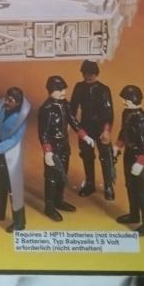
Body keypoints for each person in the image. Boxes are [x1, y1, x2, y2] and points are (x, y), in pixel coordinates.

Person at [38, 75, 95, 221]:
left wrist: (85, 136)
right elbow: (43, 133)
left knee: (62, 176)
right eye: (60, 90)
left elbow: (73, 121)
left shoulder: (65, 104)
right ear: (51, 90)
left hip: (64, 146)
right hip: (53, 149)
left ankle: (59, 200)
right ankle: (49, 207)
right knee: (51, 178)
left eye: (64, 89)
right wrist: (47, 152)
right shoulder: (46, 109)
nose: (63, 92)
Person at [0, 87, 30, 233]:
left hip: (11, 154)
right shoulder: (2, 109)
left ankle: (19, 222)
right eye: (7, 98)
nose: (7, 102)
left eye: (11, 100)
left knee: (13, 188)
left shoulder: (20, 118)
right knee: (0, 184)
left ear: (18, 102)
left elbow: (14, 139)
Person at [71, 60, 116, 200]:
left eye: (92, 73)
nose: (89, 76)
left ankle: (108, 185)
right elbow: (72, 107)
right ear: (82, 74)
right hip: (86, 125)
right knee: (86, 155)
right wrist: (71, 124)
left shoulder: (104, 89)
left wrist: (106, 130)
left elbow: (109, 112)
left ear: (97, 74)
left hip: (101, 125)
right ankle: (90, 183)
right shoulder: (79, 87)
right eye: (86, 73)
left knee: (106, 156)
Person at [115, 85, 144, 236]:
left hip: (140, 157)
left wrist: (141, 163)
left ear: (134, 99)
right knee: (130, 185)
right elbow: (124, 131)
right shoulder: (127, 113)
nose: (124, 102)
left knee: (143, 190)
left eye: (126, 99)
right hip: (129, 154)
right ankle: (134, 214)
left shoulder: (143, 120)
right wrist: (118, 146)